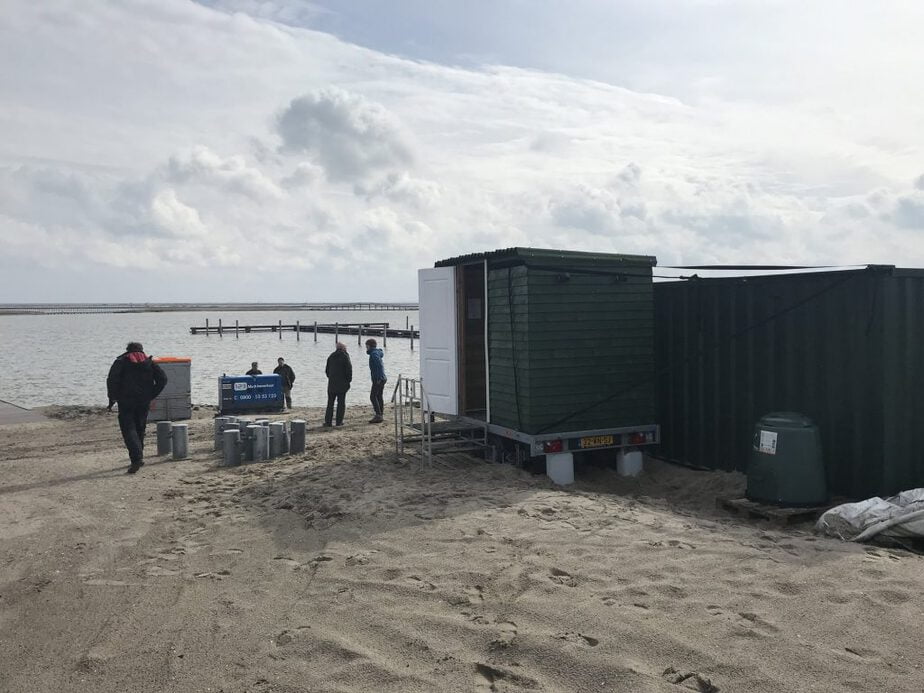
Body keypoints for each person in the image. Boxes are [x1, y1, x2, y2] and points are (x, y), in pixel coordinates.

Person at [106, 342, 167, 474]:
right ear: (141, 350)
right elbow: (163, 379)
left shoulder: (121, 361)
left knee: (128, 429)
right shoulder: (149, 362)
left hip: (126, 401)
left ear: (127, 350)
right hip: (143, 401)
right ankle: (139, 456)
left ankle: (136, 458)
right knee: (140, 427)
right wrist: (152, 394)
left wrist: (112, 398)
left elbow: (112, 380)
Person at [324, 342, 352, 427]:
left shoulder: (331, 356)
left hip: (332, 384)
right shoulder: (345, 357)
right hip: (342, 384)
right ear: (343, 348)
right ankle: (339, 422)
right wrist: (348, 381)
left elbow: (327, 371)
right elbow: (349, 370)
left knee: (330, 403)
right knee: (341, 403)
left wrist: (331, 378)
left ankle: (328, 422)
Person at [365, 338, 387, 423]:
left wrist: (378, 378)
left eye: (366, 346)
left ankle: (378, 415)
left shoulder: (374, 354)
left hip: (378, 378)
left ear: (369, 346)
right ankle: (380, 413)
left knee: (373, 397)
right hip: (383, 378)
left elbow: (379, 365)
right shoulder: (378, 352)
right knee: (379, 396)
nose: (366, 348)